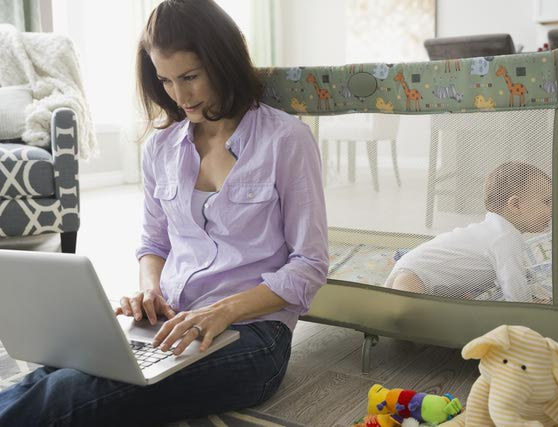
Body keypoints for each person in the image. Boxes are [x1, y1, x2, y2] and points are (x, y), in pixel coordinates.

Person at [0, 0, 328, 425]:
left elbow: (310, 265)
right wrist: (151, 290)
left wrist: (223, 310)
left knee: (70, 392)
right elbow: (154, 242)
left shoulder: (286, 140)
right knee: (55, 372)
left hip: (253, 335)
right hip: (170, 323)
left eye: (190, 77)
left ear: (223, 61)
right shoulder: (161, 147)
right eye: (166, 80)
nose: (179, 95)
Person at [385, 161, 551, 302]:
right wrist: (530, 308)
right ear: (515, 205)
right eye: (547, 202)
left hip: (414, 268)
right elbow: (514, 285)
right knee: (409, 316)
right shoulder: (505, 238)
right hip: (416, 275)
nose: (553, 209)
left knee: (409, 313)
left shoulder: (493, 231)